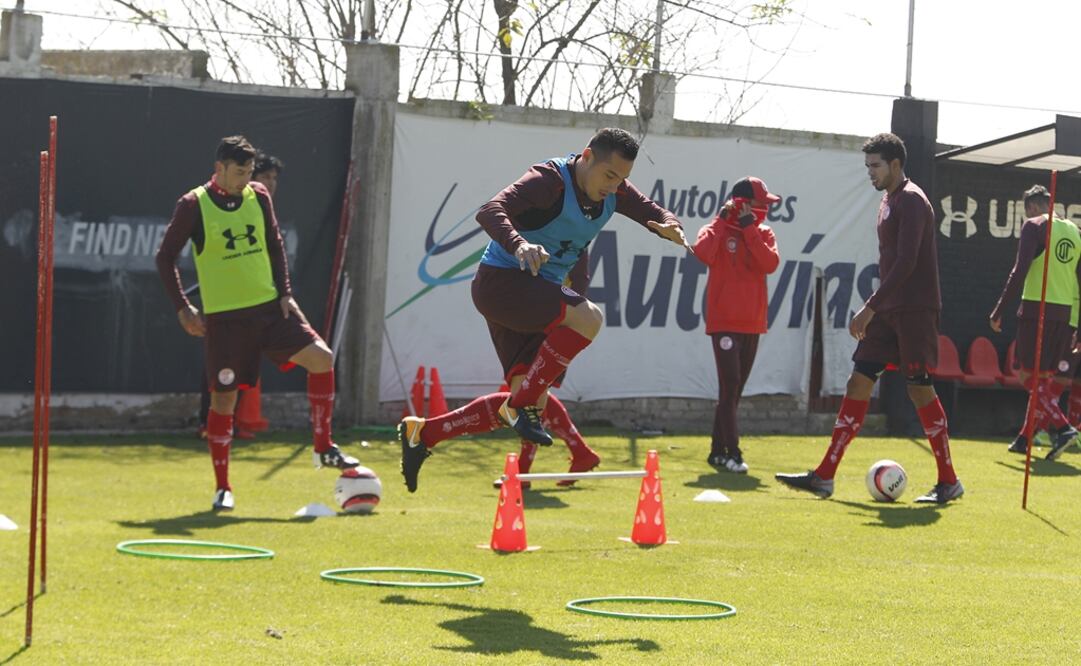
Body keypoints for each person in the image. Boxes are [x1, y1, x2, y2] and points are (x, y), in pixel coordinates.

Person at [397, 127, 689, 493]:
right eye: (609, 175)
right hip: (503, 285)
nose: (614, 187)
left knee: (531, 399)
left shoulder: (614, 192)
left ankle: (424, 433)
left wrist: (671, 226)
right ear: (586, 157)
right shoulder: (549, 180)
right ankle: (520, 413)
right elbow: (490, 211)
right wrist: (520, 245)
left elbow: (652, 210)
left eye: (623, 179)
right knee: (590, 320)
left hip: (536, 293)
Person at [156, 136, 357, 511]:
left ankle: (323, 447)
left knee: (322, 358)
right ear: (219, 169)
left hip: (269, 311)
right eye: (238, 172)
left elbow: (274, 242)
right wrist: (184, 308)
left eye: (249, 172)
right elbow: (165, 257)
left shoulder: (258, 195)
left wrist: (285, 291)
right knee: (224, 400)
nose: (245, 180)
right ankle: (222, 487)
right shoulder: (193, 204)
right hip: (225, 321)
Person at [775, 132, 963, 504]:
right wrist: (879, 307)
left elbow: (907, 263)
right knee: (858, 382)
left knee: (918, 388)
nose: (870, 173)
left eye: (875, 166)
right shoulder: (887, 201)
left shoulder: (912, 201)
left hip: (914, 311)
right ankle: (824, 476)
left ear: (896, 164)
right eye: (867, 167)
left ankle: (948, 480)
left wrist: (870, 306)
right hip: (890, 309)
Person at [691, 177, 781, 474]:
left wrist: (748, 229)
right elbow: (702, 253)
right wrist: (722, 219)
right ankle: (733, 453)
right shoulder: (716, 228)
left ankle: (717, 452)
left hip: (753, 324)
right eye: (760, 204)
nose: (764, 209)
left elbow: (769, 264)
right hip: (724, 323)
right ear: (743, 204)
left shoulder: (764, 233)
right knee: (729, 387)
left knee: (733, 391)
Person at [196, 151, 286, 440]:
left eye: (274, 178)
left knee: (246, 364)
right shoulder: (218, 202)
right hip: (226, 301)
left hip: (258, 301)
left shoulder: (261, 205)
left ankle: (236, 422)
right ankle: (207, 423)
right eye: (264, 177)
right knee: (220, 367)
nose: (269, 183)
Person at [989, 184, 1081, 460]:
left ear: (1030, 207)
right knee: (1042, 378)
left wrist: (998, 310)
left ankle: (1063, 428)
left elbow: (1020, 270)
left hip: (1035, 308)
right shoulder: (1075, 232)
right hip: (1064, 314)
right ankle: (1024, 438)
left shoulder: (1034, 226)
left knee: (1025, 373)